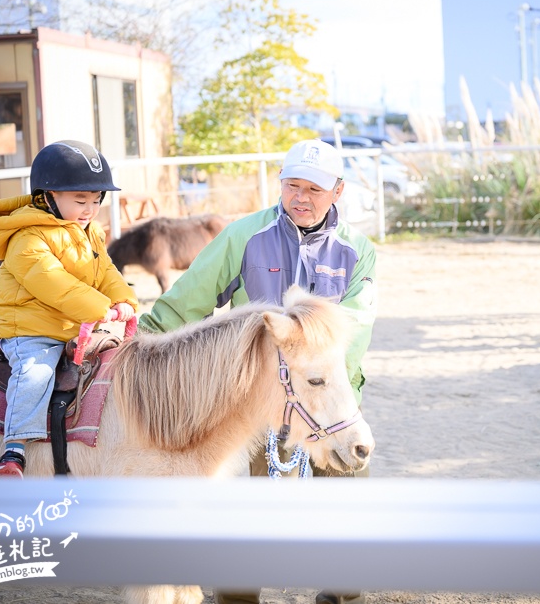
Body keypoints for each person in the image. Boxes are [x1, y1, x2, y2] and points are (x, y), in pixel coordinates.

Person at [138, 138, 377, 604]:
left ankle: (341, 595)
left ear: (338, 191)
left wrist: (314, 394)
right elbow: (190, 297)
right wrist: (143, 338)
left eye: (313, 188)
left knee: (348, 511)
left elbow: (357, 326)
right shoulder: (244, 235)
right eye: (292, 185)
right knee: (250, 519)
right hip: (261, 405)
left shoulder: (357, 251)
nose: (300, 197)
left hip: (329, 401)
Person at [0, 140, 138, 478]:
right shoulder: (27, 238)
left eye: (96, 201)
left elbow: (105, 270)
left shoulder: (88, 231)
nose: (89, 209)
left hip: (75, 322)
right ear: (47, 196)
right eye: (80, 200)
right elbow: (53, 283)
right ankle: (13, 452)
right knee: (36, 371)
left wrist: (122, 298)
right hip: (31, 326)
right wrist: (99, 308)